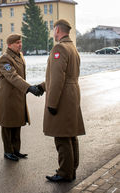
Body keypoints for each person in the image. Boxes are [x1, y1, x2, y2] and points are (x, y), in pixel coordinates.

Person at [37, 19, 85, 182]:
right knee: (70, 134)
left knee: (62, 136)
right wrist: (43, 86)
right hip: (72, 94)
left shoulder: (59, 48)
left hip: (62, 96)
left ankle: (65, 172)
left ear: (57, 30)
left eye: (53, 30)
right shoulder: (72, 47)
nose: (53, 33)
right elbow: (62, 75)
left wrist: (52, 103)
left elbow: (57, 79)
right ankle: (71, 169)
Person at [0, 34, 42, 162]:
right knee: (7, 125)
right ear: (9, 45)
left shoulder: (19, 56)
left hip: (18, 95)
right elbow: (13, 76)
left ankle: (16, 150)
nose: (20, 45)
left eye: (20, 42)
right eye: (17, 43)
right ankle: (8, 151)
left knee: (17, 123)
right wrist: (29, 88)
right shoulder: (4, 59)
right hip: (8, 97)